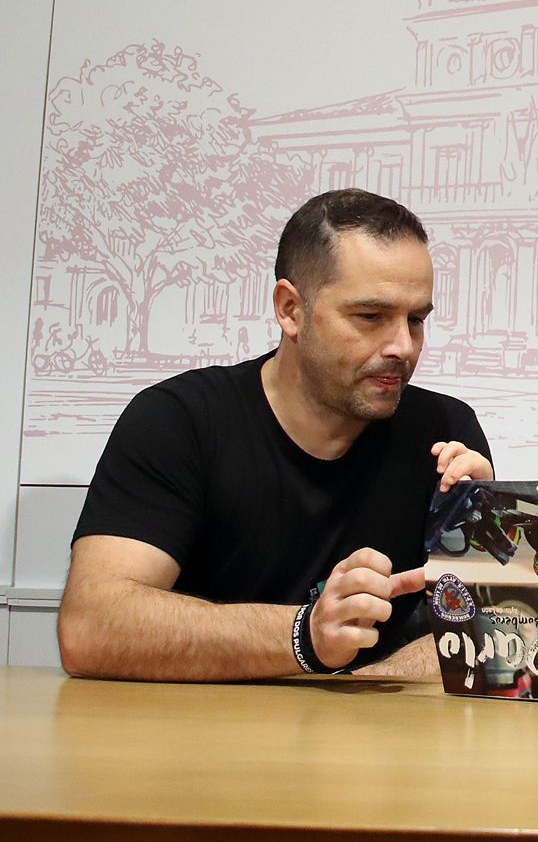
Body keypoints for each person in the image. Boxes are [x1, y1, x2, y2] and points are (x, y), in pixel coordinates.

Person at [58, 189, 493, 681]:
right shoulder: (179, 421)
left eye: (416, 319)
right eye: (370, 317)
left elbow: (485, 634)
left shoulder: (447, 435)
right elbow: (91, 627)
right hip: (201, 740)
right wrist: (306, 638)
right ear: (290, 309)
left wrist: (494, 543)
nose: (402, 346)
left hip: (377, 745)